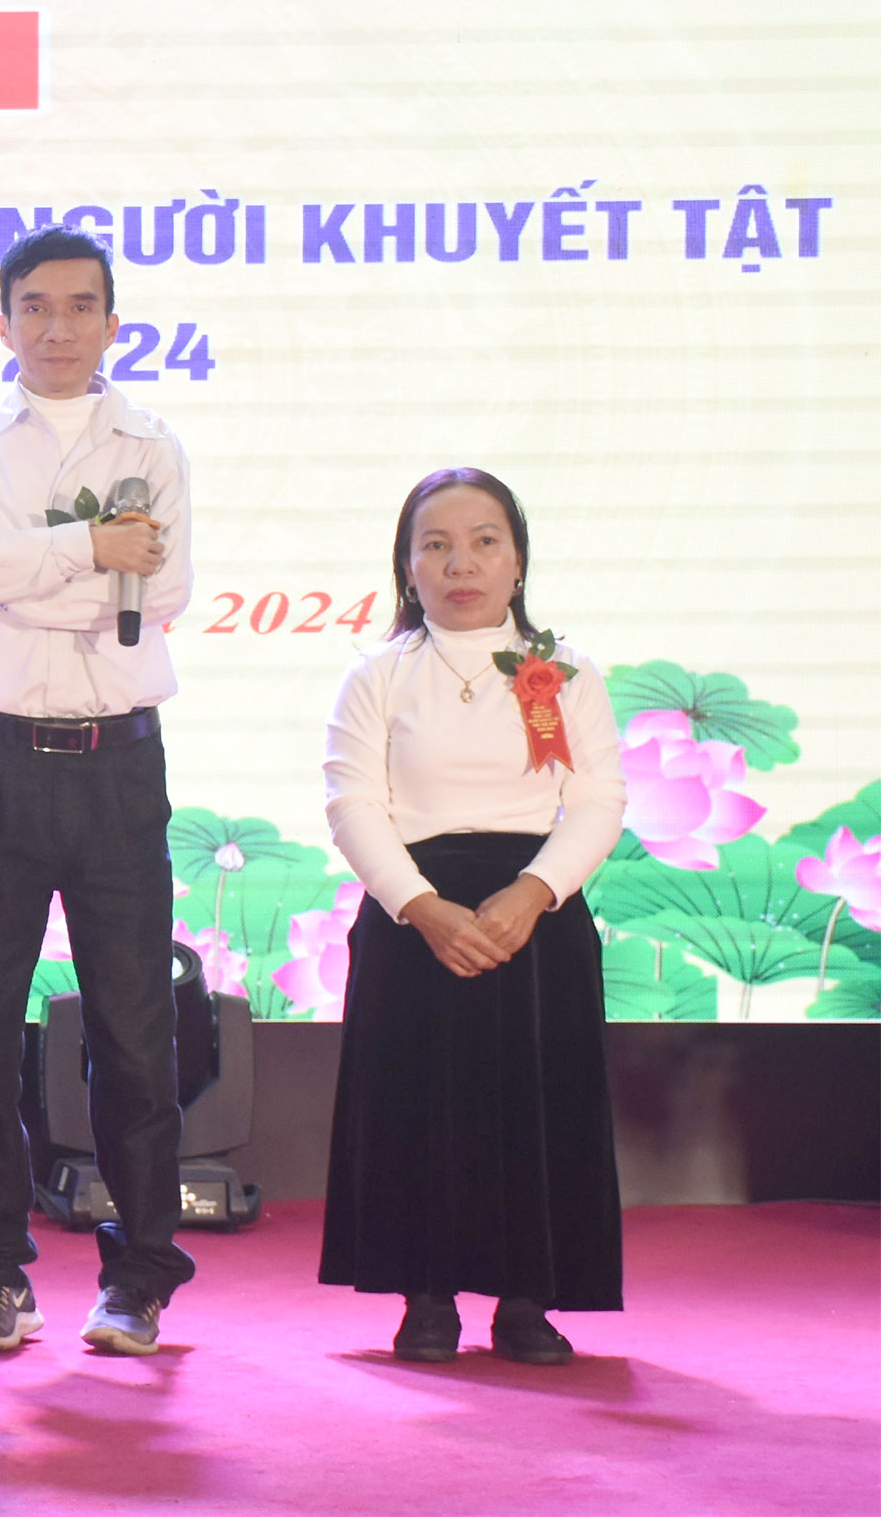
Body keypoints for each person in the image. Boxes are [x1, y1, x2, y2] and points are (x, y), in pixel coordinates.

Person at [0, 225, 194, 1357]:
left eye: (81, 307)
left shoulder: (154, 443)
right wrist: (86, 550)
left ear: (114, 324)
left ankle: (139, 1278)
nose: (58, 327)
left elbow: (160, 590)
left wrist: (16, 568)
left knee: (133, 1030)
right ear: (3, 323)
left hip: (119, 764)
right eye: (36, 306)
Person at [320, 468, 625, 1365]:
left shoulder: (561, 671)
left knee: (537, 1111)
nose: (462, 564)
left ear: (517, 561)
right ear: (407, 566)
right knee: (417, 1112)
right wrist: (422, 908)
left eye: (485, 542)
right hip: (414, 915)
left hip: (536, 915)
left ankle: (528, 1300)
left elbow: (598, 800)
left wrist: (533, 893)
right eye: (437, 545)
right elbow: (351, 803)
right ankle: (425, 1297)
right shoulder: (377, 674)